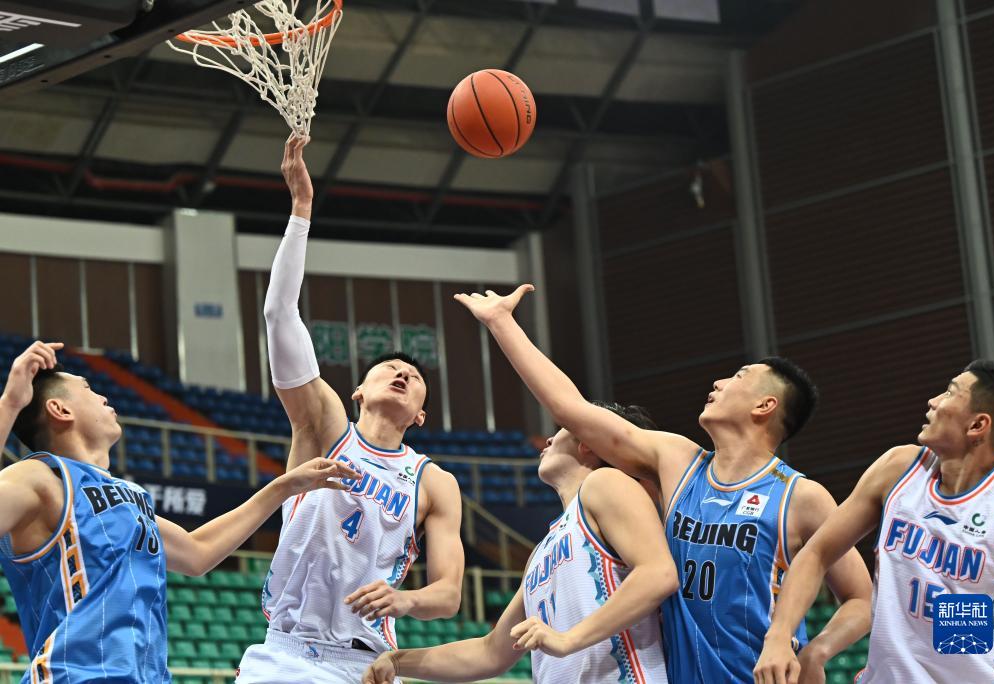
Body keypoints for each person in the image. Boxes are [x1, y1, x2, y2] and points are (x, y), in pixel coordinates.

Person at [450, 286, 874, 684]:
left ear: (765, 405)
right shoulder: (679, 461)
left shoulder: (800, 497)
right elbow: (570, 407)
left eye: (739, 377)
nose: (719, 382)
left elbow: (860, 598)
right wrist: (502, 322)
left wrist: (818, 652)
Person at [236, 135, 465, 683]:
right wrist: (301, 210)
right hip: (288, 653)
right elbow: (279, 313)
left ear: (420, 416)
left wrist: (405, 600)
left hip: (368, 662)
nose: (402, 373)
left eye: (414, 377)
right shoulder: (325, 426)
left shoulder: (434, 482)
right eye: (389, 368)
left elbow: (450, 594)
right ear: (358, 391)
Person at [0, 340, 354, 683]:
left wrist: (283, 487)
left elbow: (198, 552)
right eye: (88, 388)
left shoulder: (130, 496)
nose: (103, 397)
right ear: (60, 410)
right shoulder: (40, 477)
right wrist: (11, 403)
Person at [362, 401, 678, 684]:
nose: (549, 439)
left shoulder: (607, 483)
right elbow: (490, 652)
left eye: (561, 430)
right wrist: (397, 661)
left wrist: (568, 639)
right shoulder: (541, 551)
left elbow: (658, 574)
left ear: (587, 442)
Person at [756, 360, 994, 684]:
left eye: (950, 393)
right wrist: (783, 638)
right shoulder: (899, 468)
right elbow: (817, 553)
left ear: (977, 425)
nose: (933, 401)